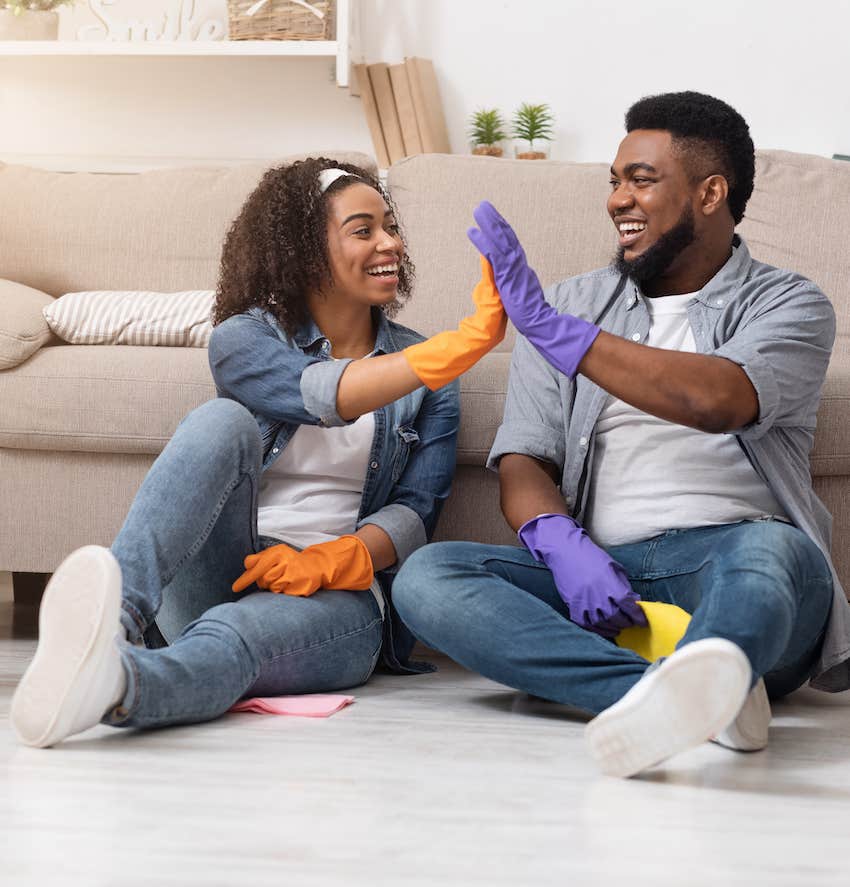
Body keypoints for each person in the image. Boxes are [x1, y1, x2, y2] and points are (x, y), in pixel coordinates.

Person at [392, 92, 850, 778]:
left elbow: (718, 397)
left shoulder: (789, 302)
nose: (617, 200)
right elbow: (524, 457)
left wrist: (557, 334)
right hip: (608, 582)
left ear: (709, 192)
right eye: (614, 181)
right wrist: (559, 542)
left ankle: (709, 668)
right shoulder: (575, 300)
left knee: (774, 552)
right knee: (428, 577)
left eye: (641, 179)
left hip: (740, 562)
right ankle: (683, 696)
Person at [11, 158, 507, 748]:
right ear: (304, 250)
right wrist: (457, 347)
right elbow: (322, 393)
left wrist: (334, 559)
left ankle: (115, 682)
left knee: (233, 635)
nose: (390, 243)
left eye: (389, 225)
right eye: (363, 229)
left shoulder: (430, 367)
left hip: (339, 598)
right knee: (221, 421)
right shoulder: (244, 338)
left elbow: (415, 511)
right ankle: (112, 622)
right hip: (230, 566)